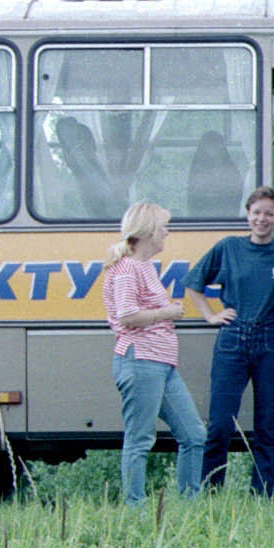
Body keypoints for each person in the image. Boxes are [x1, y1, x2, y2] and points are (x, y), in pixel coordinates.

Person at [186, 186, 274, 495]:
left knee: (266, 426)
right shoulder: (229, 247)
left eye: (269, 214)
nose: (262, 219)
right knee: (220, 424)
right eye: (256, 212)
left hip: (271, 340)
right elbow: (193, 283)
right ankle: (211, 494)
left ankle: (263, 496)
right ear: (247, 214)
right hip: (232, 340)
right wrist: (211, 315)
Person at [103, 200, 205, 505]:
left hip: (161, 363)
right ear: (148, 231)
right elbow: (127, 315)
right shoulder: (127, 269)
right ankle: (135, 507)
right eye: (163, 227)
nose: (167, 233)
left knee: (194, 435)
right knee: (140, 438)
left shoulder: (144, 267)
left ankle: (190, 504)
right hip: (140, 360)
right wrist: (167, 312)